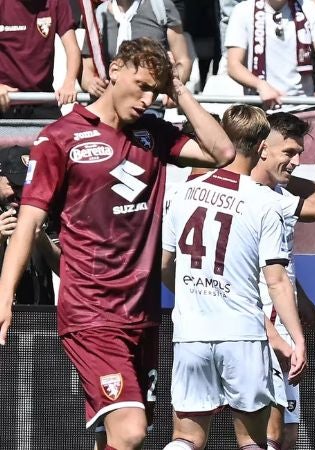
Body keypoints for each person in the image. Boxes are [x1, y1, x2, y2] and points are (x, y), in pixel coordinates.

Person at [0, 37, 236, 450]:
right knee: (130, 430)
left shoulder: (154, 134)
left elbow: (223, 152)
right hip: (92, 312)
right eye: (142, 85)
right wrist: (3, 296)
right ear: (114, 72)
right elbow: (30, 222)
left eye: (155, 91)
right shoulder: (59, 137)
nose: (147, 98)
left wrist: (178, 92)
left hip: (142, 314)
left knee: (120, 435)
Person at [161, 104, 307, 450]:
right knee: (252, 440)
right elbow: (277, 280)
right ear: (261, 148)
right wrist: (297, 339)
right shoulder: (264, 202)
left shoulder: (180, 193)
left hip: (190, 334)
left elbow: (165, 265)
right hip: (242, 335)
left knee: (185, 438)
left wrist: (190, 294)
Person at [250, 112, 315, 450]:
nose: (295, 162)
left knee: (285, 432)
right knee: (271, 432)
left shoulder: (275, 190)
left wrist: (301, 296)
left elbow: (280, 258)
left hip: (280, 308)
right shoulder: (258, 196)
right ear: (263, 148)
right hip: (265, 316)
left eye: (298, 153)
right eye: (289, 153)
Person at [225, 0, 315, 110]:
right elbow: (234, 65)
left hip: (303, 107)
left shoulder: (308, 7)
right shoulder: (243, 11)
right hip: (261, 109)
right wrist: (260, 85)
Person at [81, 0, 192, 103]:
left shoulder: (162, 8)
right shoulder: (99, 14)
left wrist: (174, 87)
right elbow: (87, 72)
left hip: (148, 105)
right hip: (109, 104)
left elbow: (183, 60)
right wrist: (91, 83)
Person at [0, 145, 60, 305]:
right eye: (15, 185)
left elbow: (65, 271)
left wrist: (41, 237)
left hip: (38, 316)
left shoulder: (44, 212)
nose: (22, 195)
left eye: (29, 187)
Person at [0, 0, 80, 119]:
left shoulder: (56, 2)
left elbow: (72, 48)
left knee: (62, 135)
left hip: (42, 98)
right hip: (4, 99)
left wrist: (69, 82)